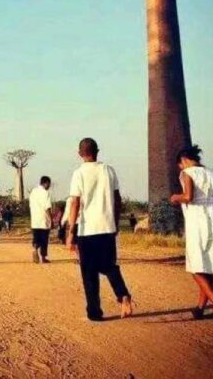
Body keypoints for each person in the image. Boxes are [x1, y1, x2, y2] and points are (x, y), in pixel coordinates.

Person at [67, 138, 133, 322]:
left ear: (80, 154)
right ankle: (123, 294)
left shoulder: (78, 173)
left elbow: (75, 203)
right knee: (108, 265)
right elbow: (117, 199)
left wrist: (71, 232)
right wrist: (116, 222)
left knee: (89, 273)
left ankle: (94, 312)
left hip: (87, 229)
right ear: (97, 151)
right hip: (107, 227)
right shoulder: (108, 170)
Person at [170, 145, 213, 328]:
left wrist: (175, 197)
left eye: (180, 165)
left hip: (196, 223)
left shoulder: (188, 173)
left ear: (184, 160)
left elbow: (188, 197)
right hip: (212, 222)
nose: (181, 168)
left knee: (196, 268)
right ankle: (200, 308)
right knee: (207, 266)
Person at [29, 176, 53, 263]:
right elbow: (47, 208)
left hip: (35, 220)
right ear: (46, 183)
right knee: (44, 240)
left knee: (36, 238)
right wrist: (51, 219)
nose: (49, 186)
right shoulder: (45, 193)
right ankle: (43, 257)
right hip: (43, 220)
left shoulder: (33, 192)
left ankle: (35, 249)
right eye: (49, 184)